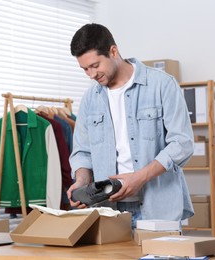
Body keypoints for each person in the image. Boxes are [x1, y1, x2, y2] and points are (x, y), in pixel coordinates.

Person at [67, 23, 195, 228]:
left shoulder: (162, 85)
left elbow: (182, 143)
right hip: (109, 213)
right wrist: (81, 180)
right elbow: (82, 151)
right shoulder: (90, 98)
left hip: (159, 211)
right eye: (85, 69)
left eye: (95, 65)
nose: (91, 75)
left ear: (113, 51)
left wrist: (140, 178)